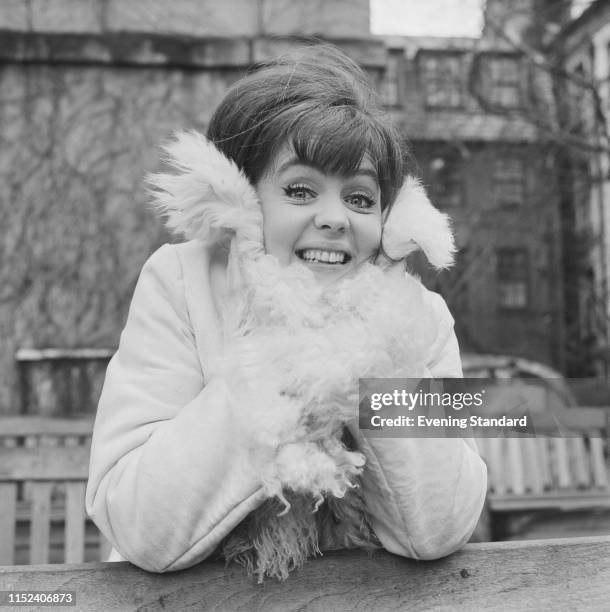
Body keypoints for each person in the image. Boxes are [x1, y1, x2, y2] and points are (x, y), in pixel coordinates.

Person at [85, 44, 487, 582]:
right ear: (243, 198)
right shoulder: (180, 281)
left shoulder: (421, 316)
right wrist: (290, 362)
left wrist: (373, 351)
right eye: (300, 190)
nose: (336, 218)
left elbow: (443, 523)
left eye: (361, 199)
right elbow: (135, 518)